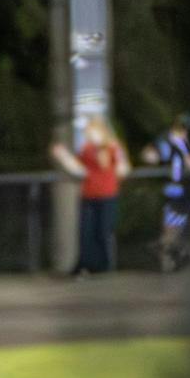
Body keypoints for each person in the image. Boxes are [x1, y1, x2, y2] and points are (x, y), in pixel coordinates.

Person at [50, 116, 130, 275]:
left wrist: (116, 173)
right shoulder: (86, 148)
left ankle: (103, 265)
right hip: (89, 195)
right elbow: (80, 169)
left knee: (103, 230)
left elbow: (123, 168)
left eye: (92, 131)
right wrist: (63, 156)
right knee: (85, 231)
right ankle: (84, 264)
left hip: (107, 195)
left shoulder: (113, 147)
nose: (90, 135)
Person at [144, 112, 190, 272]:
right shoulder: (165, 140)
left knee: (178, 224)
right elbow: (150, 154)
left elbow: (189, 163)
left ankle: (171, 258)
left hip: (181, 187)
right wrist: (153, 156)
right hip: (171, 188)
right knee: (170, 225)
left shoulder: (183, 142)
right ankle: (165, 259)